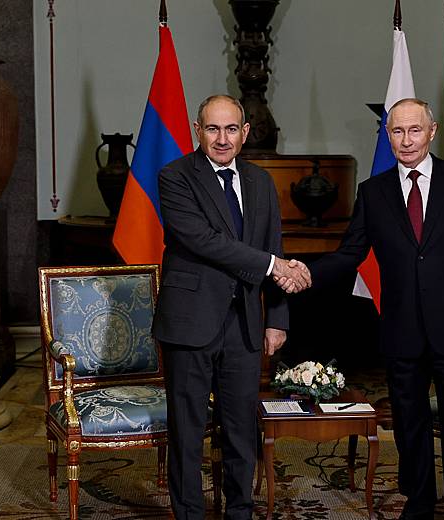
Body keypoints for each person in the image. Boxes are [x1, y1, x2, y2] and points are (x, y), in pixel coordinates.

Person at [291, 98, 444, 519]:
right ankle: (419, 501)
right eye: (397, 131)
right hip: (401, 327)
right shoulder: (373, 192)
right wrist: (305, 272)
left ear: (432, 132)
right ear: (388, 136)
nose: (406, 140)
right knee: (409, 421)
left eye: (414, 130)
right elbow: (350, 253)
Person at [152, 94, 310, 520]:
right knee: (187, 433)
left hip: (244, 324)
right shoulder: (175, 177)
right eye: (213, 129)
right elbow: (205, 241)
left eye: (231, 129)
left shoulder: (261, 181)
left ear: (244, 133)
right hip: (190, 322)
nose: (222, 139)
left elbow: (273, 244)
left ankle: (240, 512)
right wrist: (275, 266)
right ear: (197, 130)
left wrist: (277, 319)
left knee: (242, 430)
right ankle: (189, 514)